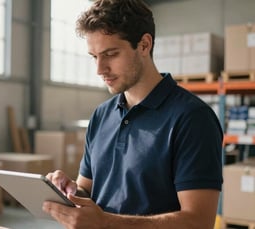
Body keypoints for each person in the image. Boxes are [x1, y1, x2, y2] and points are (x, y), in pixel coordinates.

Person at [43, 0, 223, 228]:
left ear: (144, 45)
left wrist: (106, 222)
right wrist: (67, 190)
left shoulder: (192, 118)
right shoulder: (101, 115)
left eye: (110, 54)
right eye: (94, 56)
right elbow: (86, 190)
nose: (100, 69)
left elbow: (198, 221)